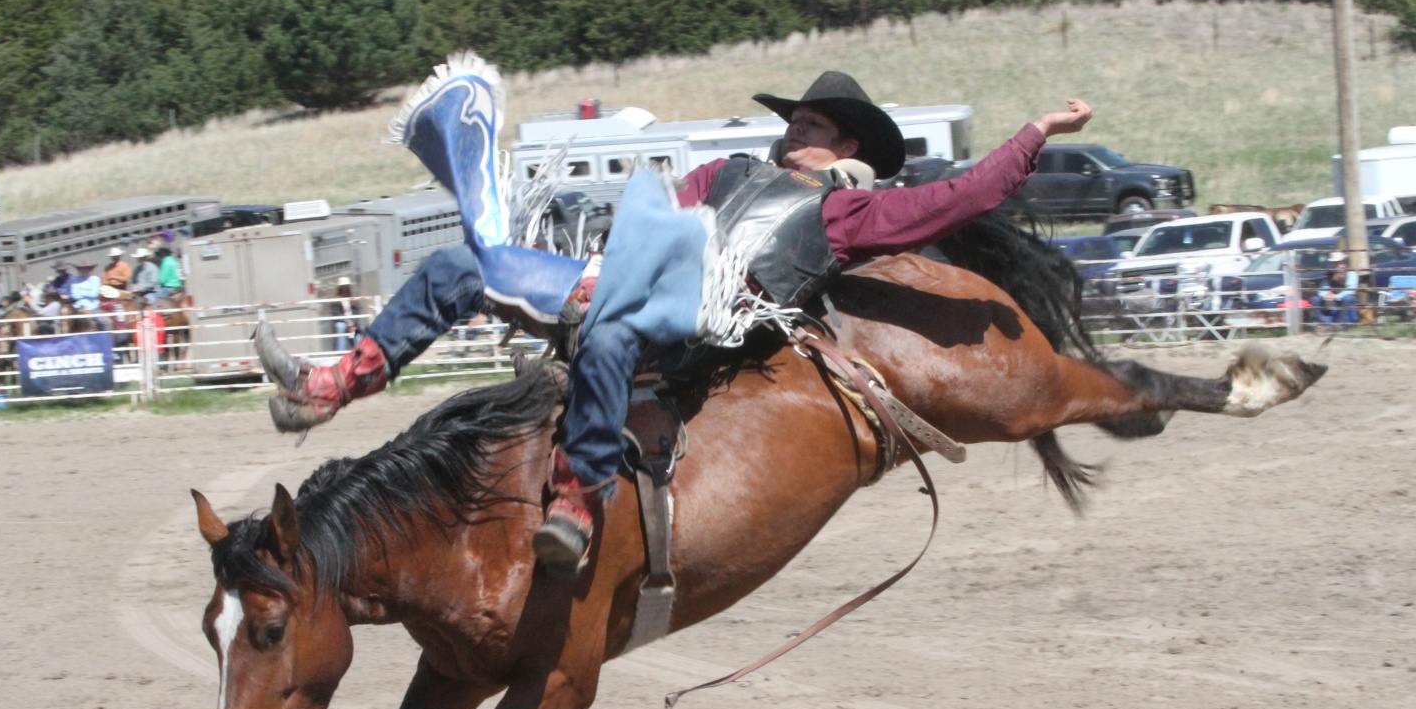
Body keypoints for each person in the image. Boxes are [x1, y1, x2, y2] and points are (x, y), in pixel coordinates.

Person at [262, 62, 1091, 574]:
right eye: (793, 119)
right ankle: (334, 384)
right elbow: (659, 214)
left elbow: (964, 196)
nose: (791, 129)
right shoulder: (726, 173)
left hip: (707, 313)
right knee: (454, 267)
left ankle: (576, 502)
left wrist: (1035, 134)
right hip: (627, 276)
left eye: (809, 122)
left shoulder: (849, 213)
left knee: (616, 325)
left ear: (844, 146)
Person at [1313, 253, 1359, 324]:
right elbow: (1324, 287)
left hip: (1343, 297)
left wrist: (1336, 296)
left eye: (1338, 262)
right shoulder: (1330, 274)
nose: (1336, 265)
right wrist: (1325, 295)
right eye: (1334, 263)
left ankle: (1340, 322)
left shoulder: (1351, 273)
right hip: (1331, 297)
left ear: (1344, 262)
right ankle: (1324, 322)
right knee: (1315, 299)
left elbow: (1351, 290)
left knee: (1348, 298)